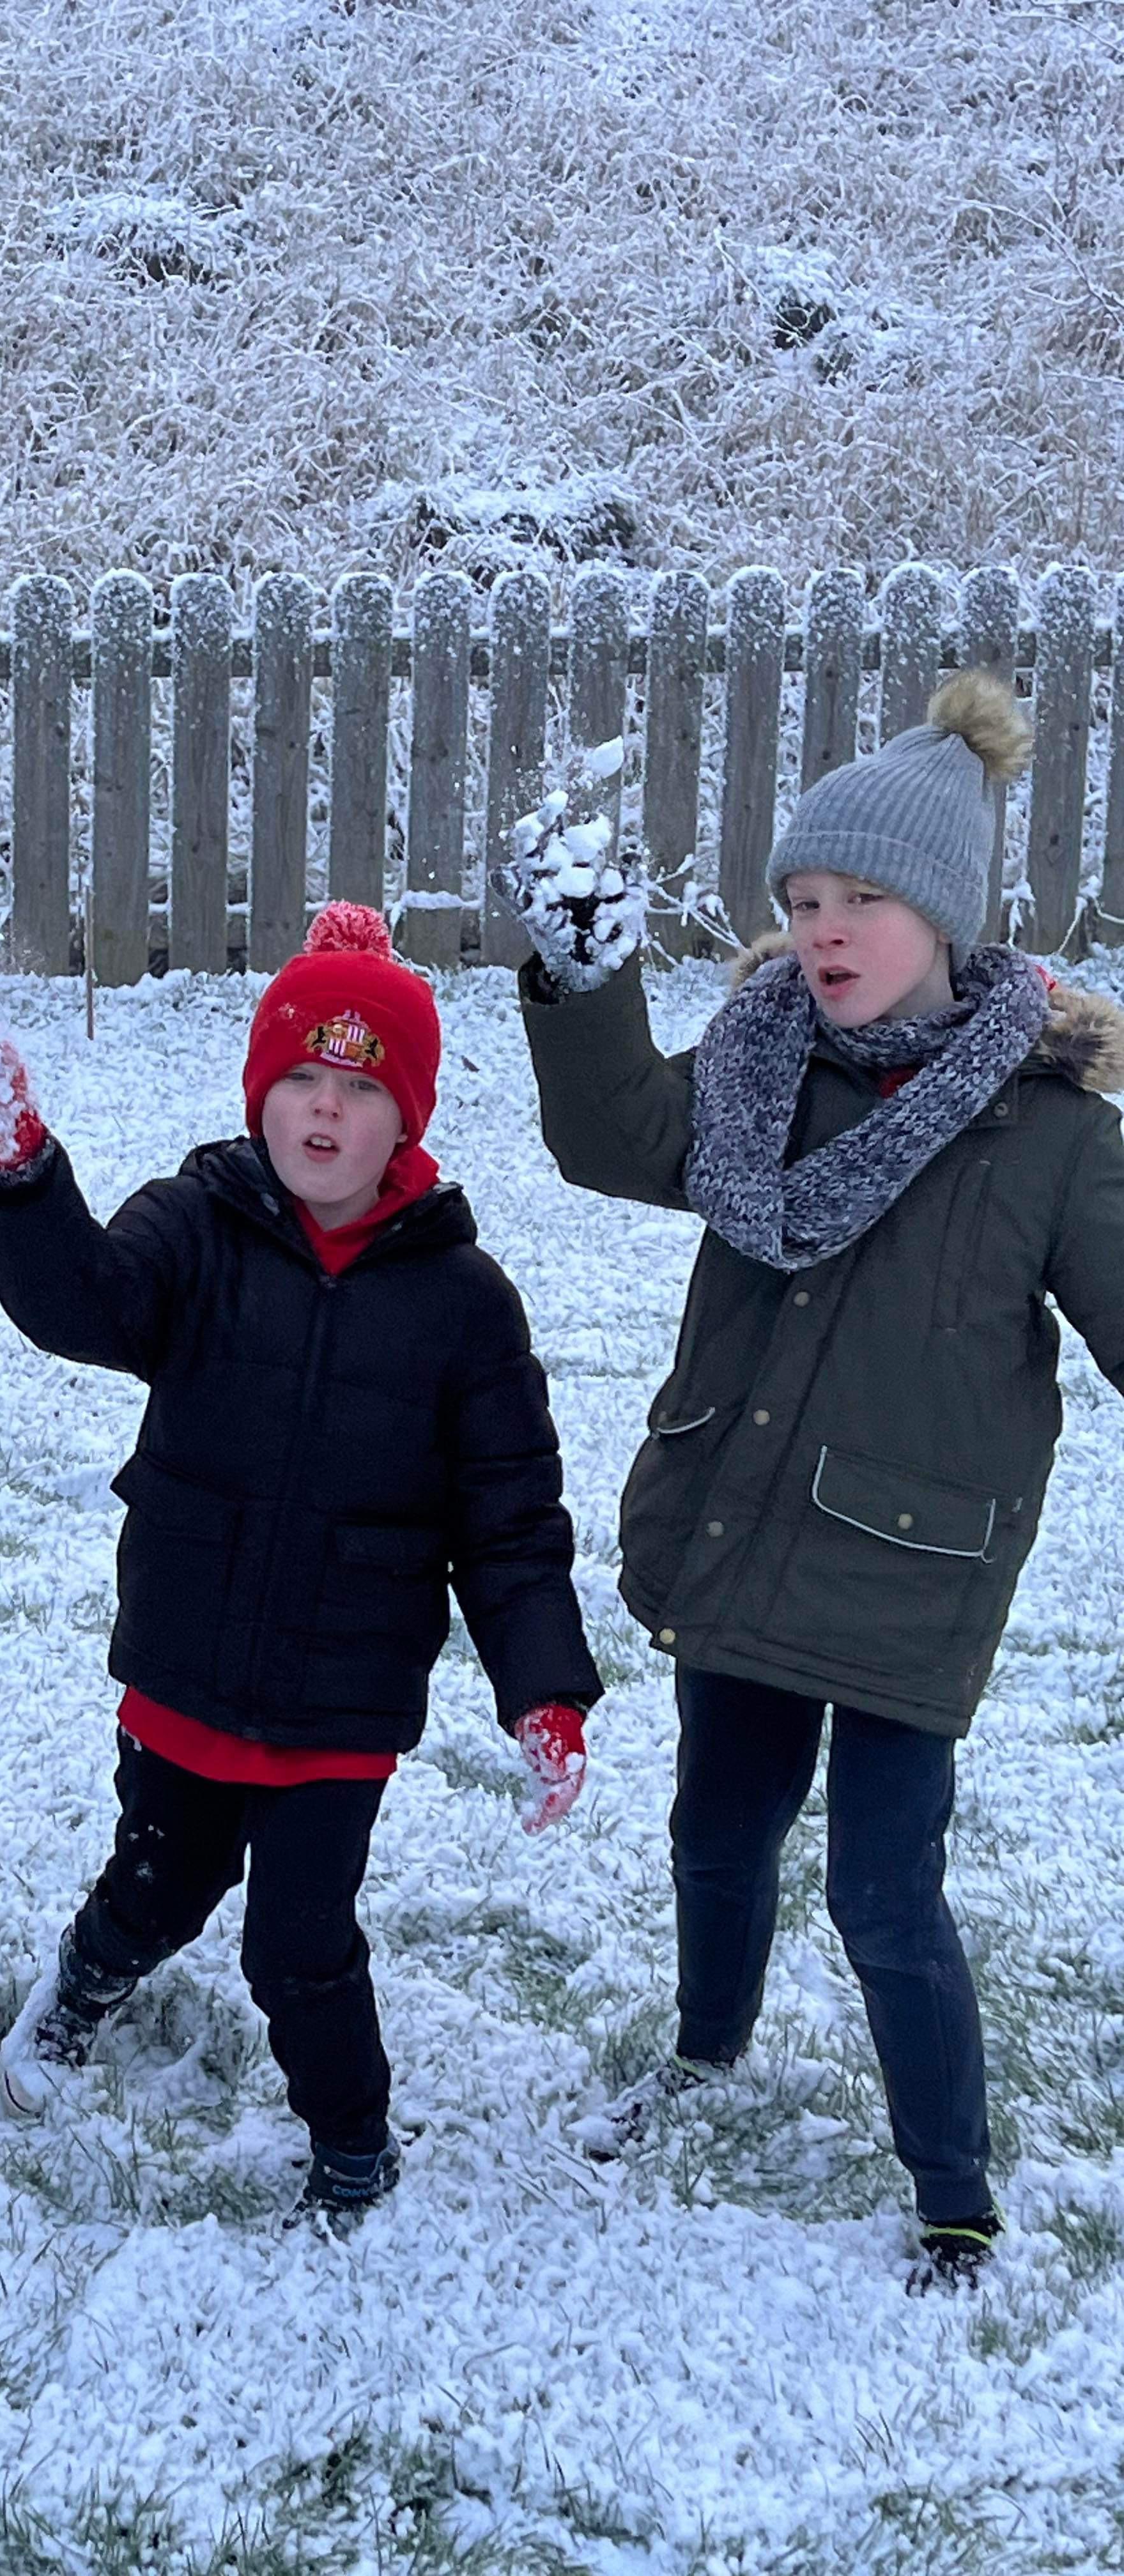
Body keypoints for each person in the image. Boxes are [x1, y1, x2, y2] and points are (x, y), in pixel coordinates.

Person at [507, 672, 1124, 2287]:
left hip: (914, 1578)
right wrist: (584, 979)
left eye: (863, 900)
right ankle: (707, 2047)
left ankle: (953, 2186)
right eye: (802, 900)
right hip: (745, 1525)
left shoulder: (1052, 1135)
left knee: (882, 1893)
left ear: (946, 915)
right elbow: (614, 1137)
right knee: (719, 1829)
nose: (825, 930)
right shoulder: (760, 1063)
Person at [0, 904, 603, 2220]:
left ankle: (353, 2142)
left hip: (341, 1704)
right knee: (156, 1883)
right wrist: (17, 1178)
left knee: (298, 1947)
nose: (324, 1109)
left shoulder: (466, 1305)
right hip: (189, 1658)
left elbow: (512, 1522)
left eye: (361, 1087)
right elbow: (84, 1303)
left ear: (407, 1117)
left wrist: (544, 1690)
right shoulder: (196, 1224)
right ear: (260, 1094)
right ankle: (82, 1985)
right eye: (300, 1076)